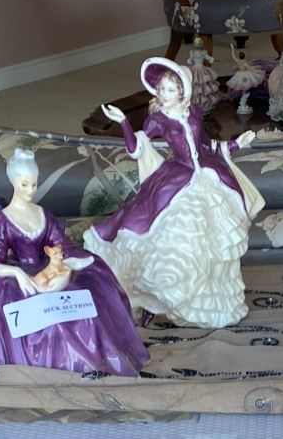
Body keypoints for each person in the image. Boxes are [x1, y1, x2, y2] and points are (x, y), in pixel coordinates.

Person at [86, 58, 265, 329]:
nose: (164, 94)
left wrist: (236, 144)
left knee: (212, 242)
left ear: (183, 91)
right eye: (161, 89)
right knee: (175, 240)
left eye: (170, 89)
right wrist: (124, 123)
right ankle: (159, 300)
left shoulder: (194, 112)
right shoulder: (157, 119)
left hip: (208, 176)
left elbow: (206, 145)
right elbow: (136, 148)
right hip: (178, 179)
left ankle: (206, 298)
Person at [0, 150, 149, 375]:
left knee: (88, 300)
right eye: (24, 185)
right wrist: (18, 274)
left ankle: (96, 360)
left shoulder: (43, 214)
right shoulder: (2, 220)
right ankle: (55, 363)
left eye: (34, 184)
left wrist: (64, 270)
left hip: (52, 266)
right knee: (48, 318)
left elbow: (62, 245)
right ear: (13, 182)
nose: (30, 190)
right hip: (24, 277)